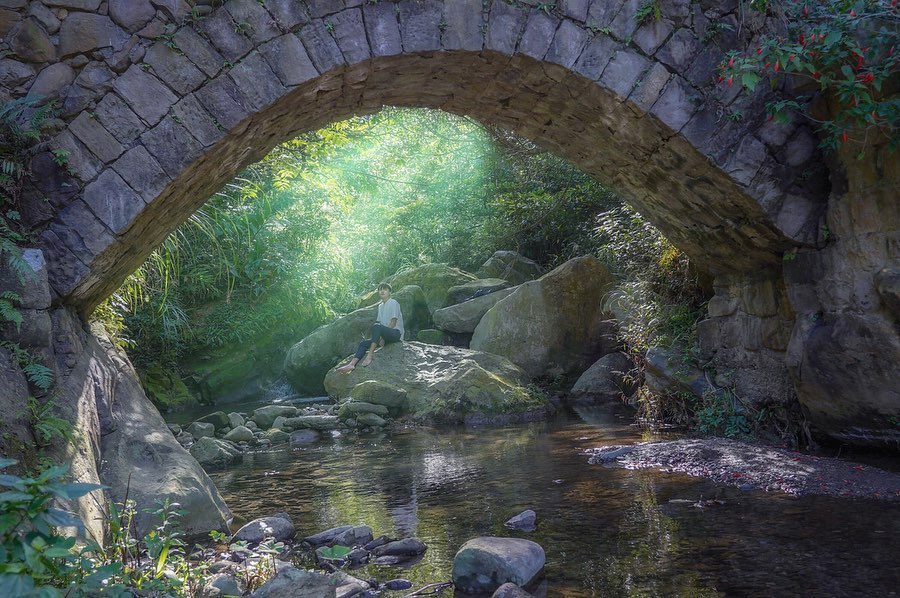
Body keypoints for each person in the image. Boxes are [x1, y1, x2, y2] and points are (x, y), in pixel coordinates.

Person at [337, 283, 404, 373]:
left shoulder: (393, 303)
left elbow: (393, 322)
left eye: (385, 289)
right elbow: (379, 322)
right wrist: (378, 338)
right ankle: (352, 364)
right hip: (385, 335)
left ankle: (370, 355)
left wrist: (382, 337)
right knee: (363, 344)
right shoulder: (380, 306)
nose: (382, 291)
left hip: (395, 334)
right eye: (380, 289)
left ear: (389, 292)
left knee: (377, 327)